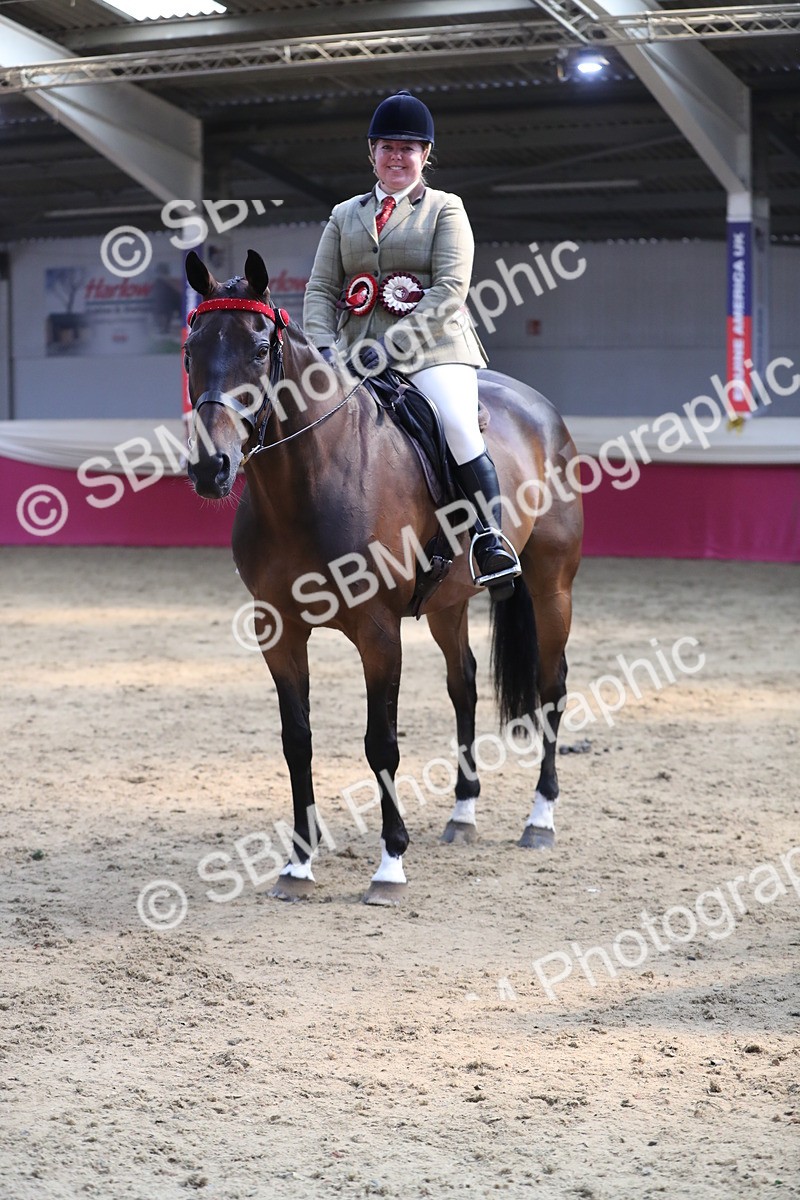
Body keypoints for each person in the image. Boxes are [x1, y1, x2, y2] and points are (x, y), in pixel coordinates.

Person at [303, 89, 520, 595]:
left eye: (408, 148)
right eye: (387, 147)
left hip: (434, 350)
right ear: (372, 154)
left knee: (457, 426)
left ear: (425, 156)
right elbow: (321, 288)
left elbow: (449, 291)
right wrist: (322, 347)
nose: (396, 156)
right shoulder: (344, 214)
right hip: (353, 352)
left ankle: (490, 541)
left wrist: (392, 345)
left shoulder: (445, 209)